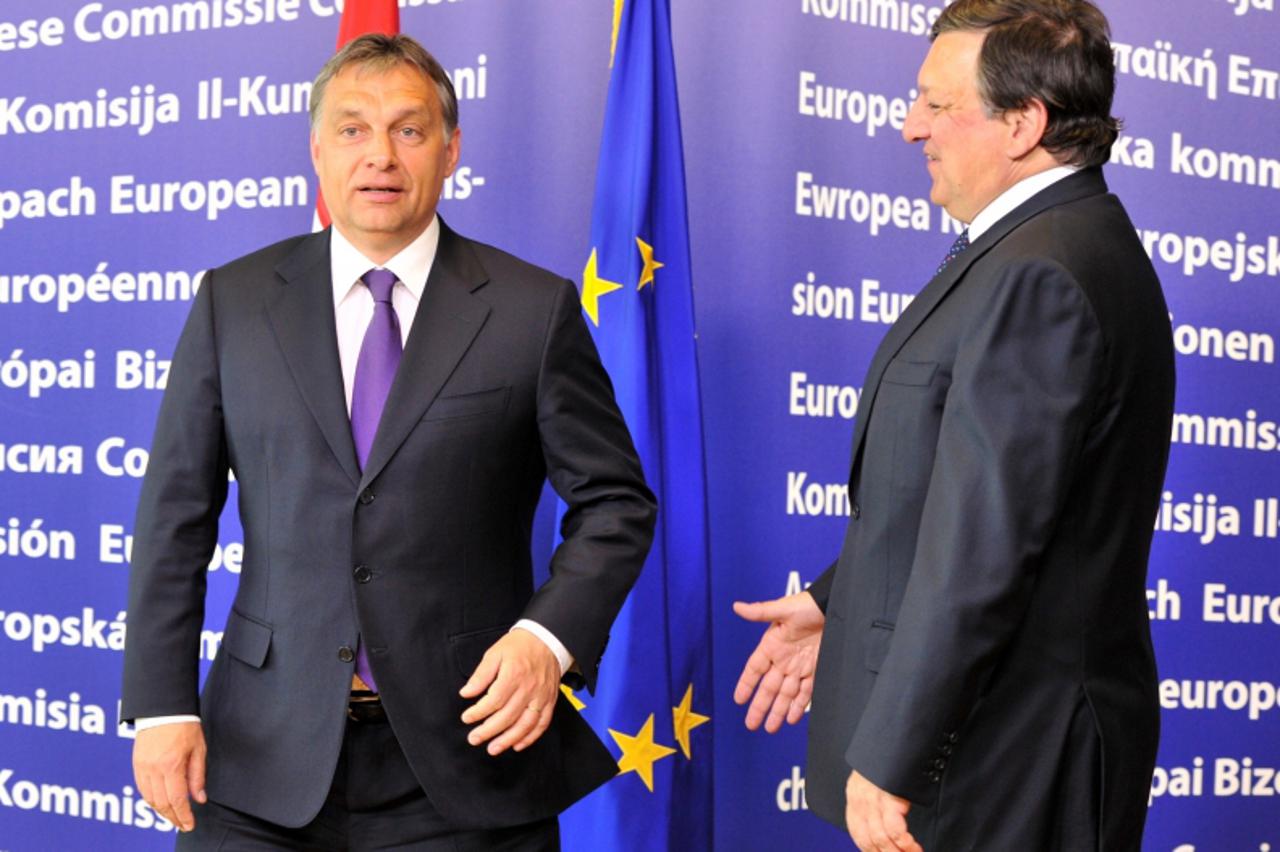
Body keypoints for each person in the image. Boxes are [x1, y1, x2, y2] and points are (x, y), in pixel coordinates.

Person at [120, 33, 655, 850]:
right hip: (259, 760)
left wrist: (547, 639)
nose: (380, 156)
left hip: (467, 759)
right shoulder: (234, 301)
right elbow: (174, 517)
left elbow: (615, 503)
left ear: (451, 151)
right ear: (316, 151)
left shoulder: (530, 311)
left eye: (408, 130)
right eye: (352, 129)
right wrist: (162, 704)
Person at [733, 1, 1175, 849]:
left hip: (1005, 758)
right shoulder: (1043, 246)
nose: (910, 128)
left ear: (1024, 123)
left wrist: (896, 752)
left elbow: (982, 550)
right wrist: (839, 599)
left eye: (936, 104)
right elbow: (951, 489)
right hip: (1000, 751)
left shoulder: (1043, 272)